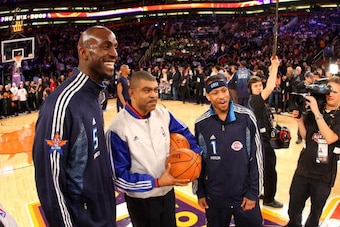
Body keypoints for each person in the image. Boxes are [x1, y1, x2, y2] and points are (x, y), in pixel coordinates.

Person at [33, 26, 118, 226]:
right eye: (106, 47)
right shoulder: (62, 103)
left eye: (115, 47)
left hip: (103, 215)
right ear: (84, 52)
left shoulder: (96, 94)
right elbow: (50, 181)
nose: (114, 53)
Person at [106, 70, 202, 227]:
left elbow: (186, 134)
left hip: (168, 193)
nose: (153, 95)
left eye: (156, 90)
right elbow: (119, 177)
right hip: (142, 200)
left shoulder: (163, 114)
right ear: (132, 93)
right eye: (147, 90)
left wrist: (195, 156)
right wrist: (156, 182)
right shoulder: (118, 129)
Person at [194, 75, 264, 227]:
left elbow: (257, 157)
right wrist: (200, 192)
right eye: (215, 93)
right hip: (215, 197)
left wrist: (253, 193)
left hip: (244, 195)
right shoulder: (201, 124)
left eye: (223, 90)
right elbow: (198, 161)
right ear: (207, 96)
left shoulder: (246, 117)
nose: (221, 96)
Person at [285, 76, 340, 227]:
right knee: (294, 206)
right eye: (328, 90)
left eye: (335, 91)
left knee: (315, 213)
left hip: (324, 175)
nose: (330, 94)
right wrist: (300, 120)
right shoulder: (316, 110)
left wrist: (316, 112)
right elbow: (306, 137)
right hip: (304, 169)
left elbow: (330, 138)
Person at [247, 56, 283, 208]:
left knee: (264, 169)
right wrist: (275, 66)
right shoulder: (254, 100)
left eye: (260, 85)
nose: (259, 88)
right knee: (270, 170)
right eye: (255, 86)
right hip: (262, 142)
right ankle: (269, 198)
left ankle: (263, 192)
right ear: (251, 90)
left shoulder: (261, 102)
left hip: (264, 140)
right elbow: (270, 87)